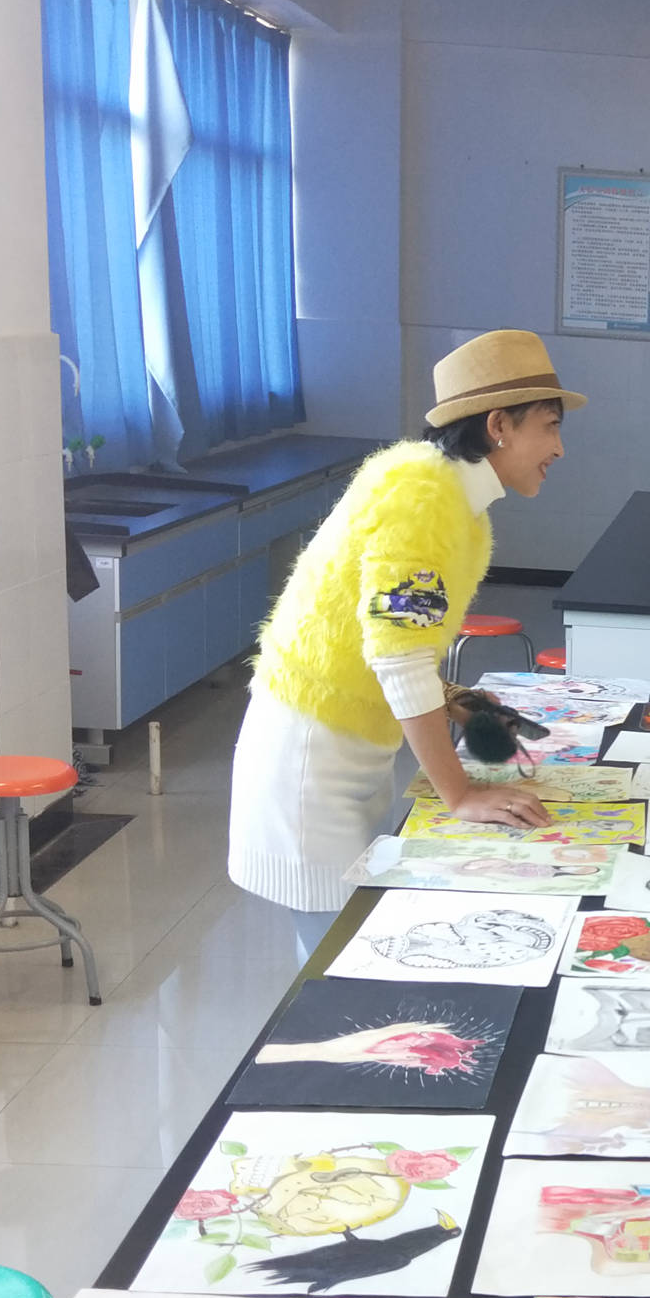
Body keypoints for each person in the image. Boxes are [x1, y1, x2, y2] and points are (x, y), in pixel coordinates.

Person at [229, 331, 579, 956]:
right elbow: (398, 657)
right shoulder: (422, 497)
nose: (559, 448)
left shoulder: (449, 497)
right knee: (336, 963)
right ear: (499, 425)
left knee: (348, 949)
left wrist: (460, 702)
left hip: (350, 749)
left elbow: (384, 638)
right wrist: (460, 793)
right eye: (549, 427)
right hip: (312, 762)